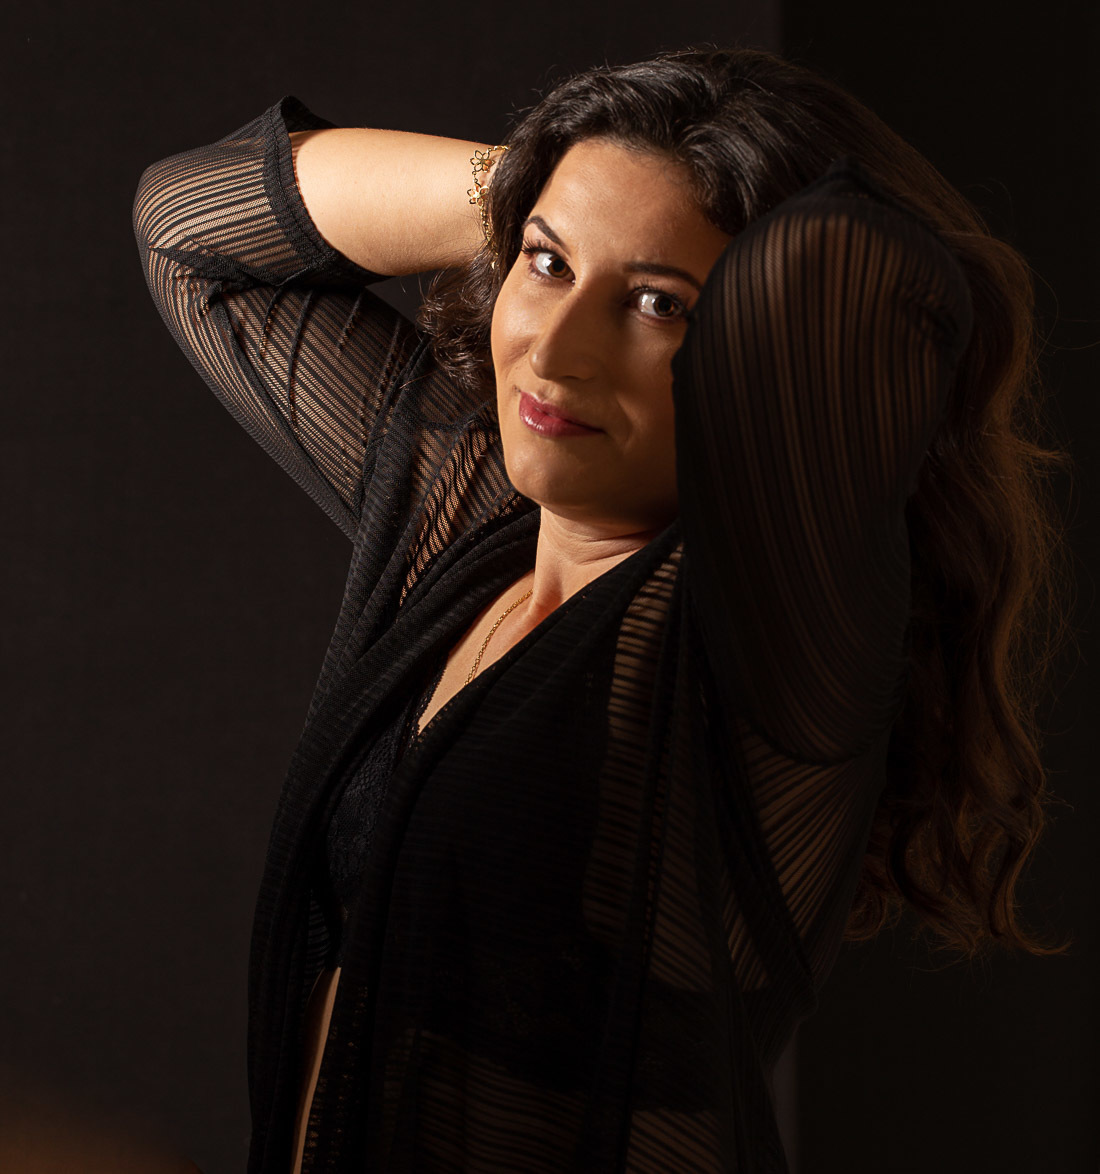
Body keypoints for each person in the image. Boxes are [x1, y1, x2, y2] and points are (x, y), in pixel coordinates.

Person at [132, 44, 1072, 1174]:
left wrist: (604, 211)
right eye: (544, 266)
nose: (557, 349)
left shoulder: (765, 634)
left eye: (655, 306)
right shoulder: (464, 533)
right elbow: (193, 228)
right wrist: (547, 179)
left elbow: (876, 284)